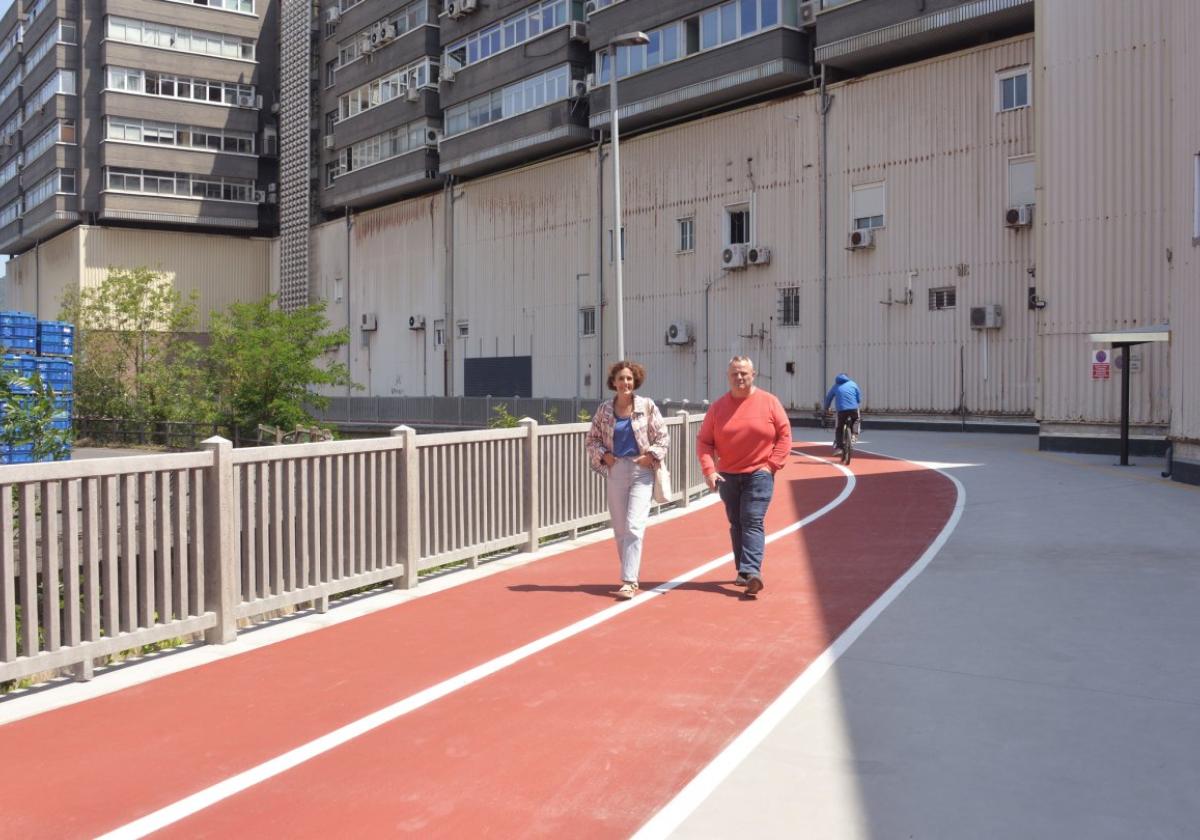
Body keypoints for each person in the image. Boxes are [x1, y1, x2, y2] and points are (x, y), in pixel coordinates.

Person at [696, 356, 792, 597]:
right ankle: (743, 571)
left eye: (744, 373)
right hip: (728, 475)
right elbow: (705, 442)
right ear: (728, 377)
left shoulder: (769, 402)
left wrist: (771, 465)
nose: (739, 378)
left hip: (759, 473)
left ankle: (751, 571)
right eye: (735, 374)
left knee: (752, 519)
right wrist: (709, 470)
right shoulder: (718, 408)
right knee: (736, 522)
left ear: (753, 374)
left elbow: (785, 436)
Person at [586, 360, 670, 600]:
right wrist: (604, 456)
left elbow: (663, 436)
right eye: (621, 378)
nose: (625, 383)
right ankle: (630, 572)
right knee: (621, 528)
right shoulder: (604, 410)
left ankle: (629, 580)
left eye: (629, 379)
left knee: (634, 525)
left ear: (635, 382)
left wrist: (650, 456)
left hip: (641, 470)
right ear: (613, 382)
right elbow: (591, 440)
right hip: (616, 470)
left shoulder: (647, 406)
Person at [823, 373, 862, 453]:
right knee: (856, 419)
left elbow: (829, 398)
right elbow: (858, 397)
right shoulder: (853, 384)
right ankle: (854, 434)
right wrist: (857, 401)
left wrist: (826, 408)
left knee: (839, 428)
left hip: (841, 410)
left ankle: (839, 447)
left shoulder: (835, 386)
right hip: (853, 409)